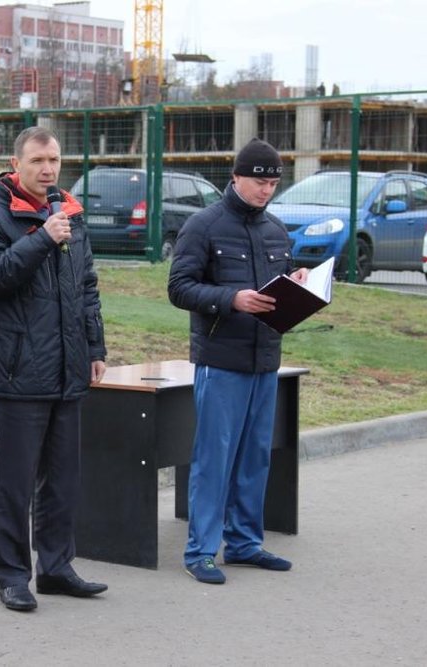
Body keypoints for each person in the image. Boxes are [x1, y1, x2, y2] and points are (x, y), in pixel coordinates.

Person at [0, 126, 108, 612]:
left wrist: (94, 347)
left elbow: (86, 287)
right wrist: (42, 239)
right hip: (19, 371)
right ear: (15, 163)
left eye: (54, 161)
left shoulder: (69, 213)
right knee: (16, 482)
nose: (48, 170)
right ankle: (11, 575)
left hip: (68, 368)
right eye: (38, 161)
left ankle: (56, 567)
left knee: (64, 477)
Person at [168, 137, 309, 585]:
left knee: (255, 457)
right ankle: (200, 551)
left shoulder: (276, 230)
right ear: (235, 177)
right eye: (257, 181)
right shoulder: (203, 226)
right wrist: (232, 299)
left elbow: (278, 286)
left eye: (273, 183)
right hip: (221, 360)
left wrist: (299, 283)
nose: (265, 190)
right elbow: (179, 287)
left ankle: (245, 543)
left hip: (265, 359)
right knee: (214, 458)